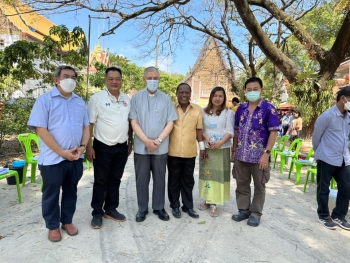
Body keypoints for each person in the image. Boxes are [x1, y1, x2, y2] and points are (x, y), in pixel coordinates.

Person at [27, 65, 90, 242]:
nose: (70, 80)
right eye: (66, 76)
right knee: (51, 193)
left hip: (75, 157)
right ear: (56, 79)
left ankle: (67, 221)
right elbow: (41, 129)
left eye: (73, 77)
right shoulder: (44, 100)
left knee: (71, 191)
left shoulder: (79, 102)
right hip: (53, 158)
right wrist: (62, 152)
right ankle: (53, 226)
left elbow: (86, 126)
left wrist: (83, 146)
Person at [129, 66, 177, 222]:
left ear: (159, 79)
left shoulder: (165, 98)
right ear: (144, 79)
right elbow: (134, 122)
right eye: (149, 78)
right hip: (141, 147)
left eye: (155, 78)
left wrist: (158, 141)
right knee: (141, 180)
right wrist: (146, 141)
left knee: (160, 178)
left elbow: (170, 122)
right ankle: (142, 208)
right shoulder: (135, 98)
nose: (152, 81)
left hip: (160, 147)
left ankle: (159, 207)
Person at [87, 67, 133, 229]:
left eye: (117, 78)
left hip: (121, 148)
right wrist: (88, 146)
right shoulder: (97, 98)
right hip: (102, 147)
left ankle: (111, 209)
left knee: (115, 179)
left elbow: (130, 123)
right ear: (105, 80)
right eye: (111, 78)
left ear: (121, 80)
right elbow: (89, 124)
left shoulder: (127, 99)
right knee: (101, 181)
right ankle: (97, 212)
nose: (114, 81)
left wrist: (130, 142)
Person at [231, 77, 279, 227]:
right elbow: (236, 130)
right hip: (241, 154)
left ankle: (255, 213)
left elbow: (273, 132)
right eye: (249, 89)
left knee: (259, 185)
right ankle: (243, 210)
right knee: (241, 184)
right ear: (245, 91)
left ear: (261, 90)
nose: (252, 92)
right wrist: (234, 150)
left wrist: (266, 153)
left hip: (260, 157)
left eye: (255, 89)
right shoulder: (240, 109)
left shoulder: (269, 109)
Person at [312, 86, 350, 230]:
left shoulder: (349, 117)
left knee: (347, 187)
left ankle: (339, 215)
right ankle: (323, 215)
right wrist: (320, 153)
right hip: (326, 157)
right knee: (323, 188)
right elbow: (316, 137)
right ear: (343, 98)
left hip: (344, 159)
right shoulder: (327, 116)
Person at [168, 83, 204, 219]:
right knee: (173, 179)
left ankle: (188, 206)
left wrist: (202, 148)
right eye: (181, 92)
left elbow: (199, 129)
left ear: (190, 94)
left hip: (190, 152)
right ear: (176, 94)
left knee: (188, 180)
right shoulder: (170, 108)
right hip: (172, 151)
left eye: (186, 92)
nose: (184, 95)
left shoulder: (197, 109)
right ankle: (175, 206)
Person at [198, 86, 234, 217]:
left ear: (224, 98)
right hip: (207, 149)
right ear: (211, 97)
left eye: (220, 96)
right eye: (215, 95)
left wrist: (221, 142)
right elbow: (200, 129)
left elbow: (230, 131)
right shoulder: (203, 112)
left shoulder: (228, 113)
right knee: (207, 175)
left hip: (221, 149)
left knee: (217, 176)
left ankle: (214, 203)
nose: (217, 98)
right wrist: (206, 138)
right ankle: (207, 200)